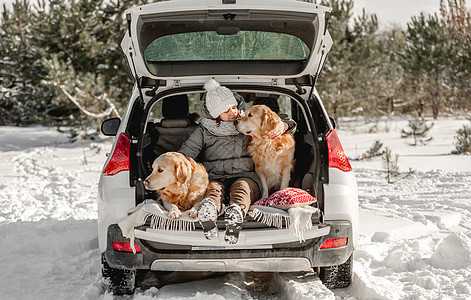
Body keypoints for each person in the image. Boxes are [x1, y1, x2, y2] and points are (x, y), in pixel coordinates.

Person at [178, 79, 291, 244]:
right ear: (215, 115)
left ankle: (235, 214)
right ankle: (208, 211)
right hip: (215, 174)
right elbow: (186, 153)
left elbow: (274, 123)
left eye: (233, 107)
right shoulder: (204, 131)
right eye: (225, 111)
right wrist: (173, 167)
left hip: (245, 174)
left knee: (242, 188)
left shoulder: (246, 123)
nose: (232, 112)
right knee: (213, 190)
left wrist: (285, 125)